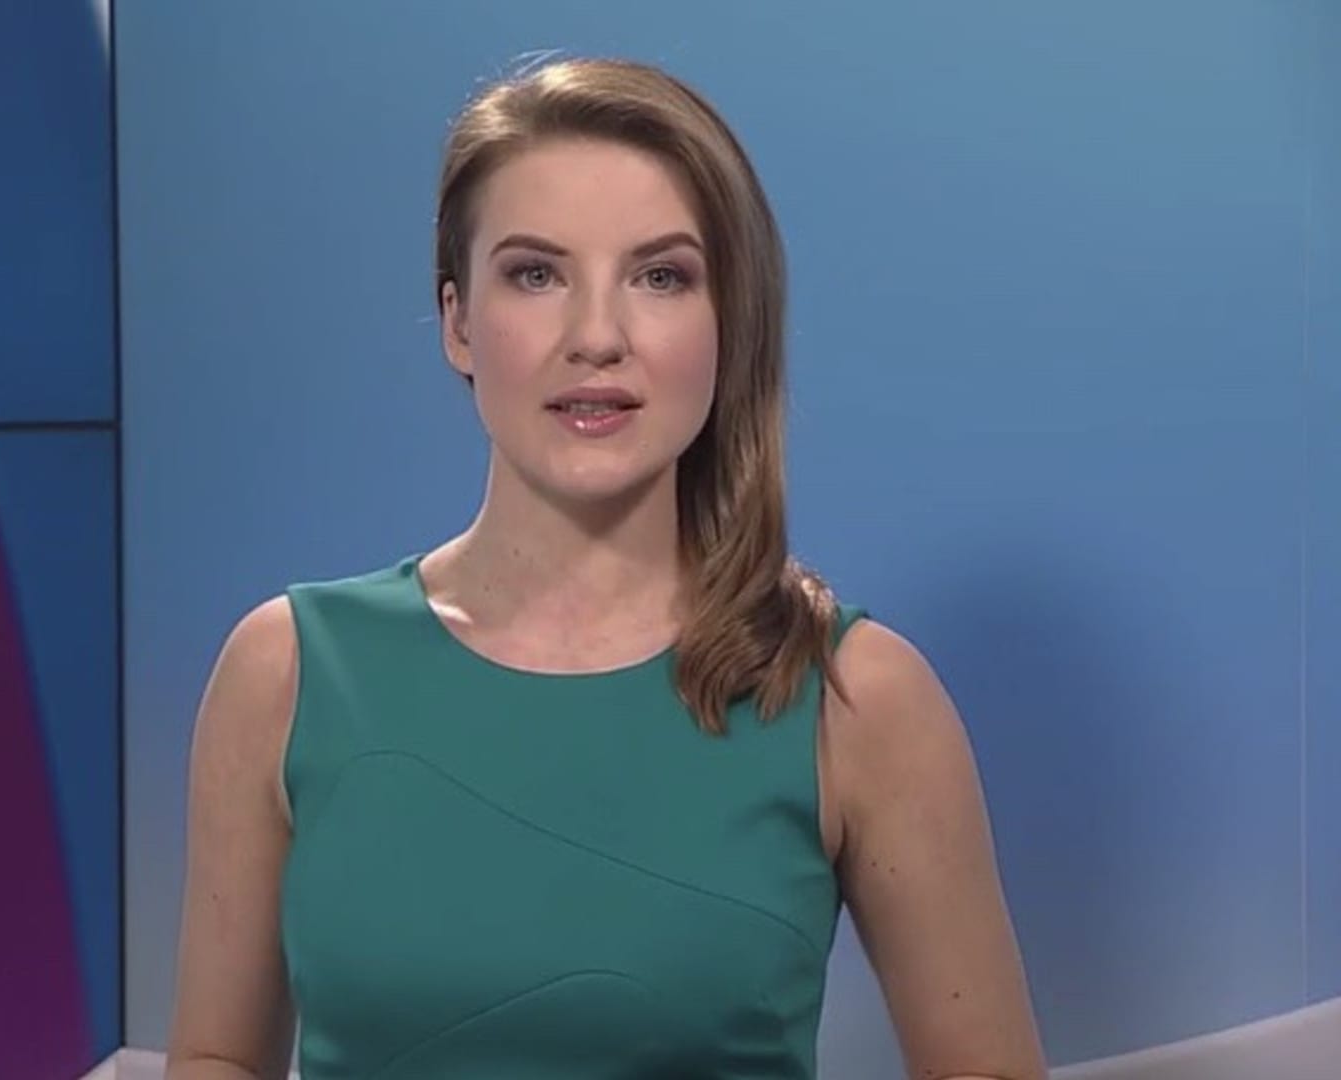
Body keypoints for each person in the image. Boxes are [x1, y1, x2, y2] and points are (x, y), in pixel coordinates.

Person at [166, 56, 1046, 1080]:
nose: (596, 337)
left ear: (729, 323)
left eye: (660, 277)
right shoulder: (286, 675)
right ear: (457, 321)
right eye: (536, 274)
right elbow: (217, 1060)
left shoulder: (856, 698)